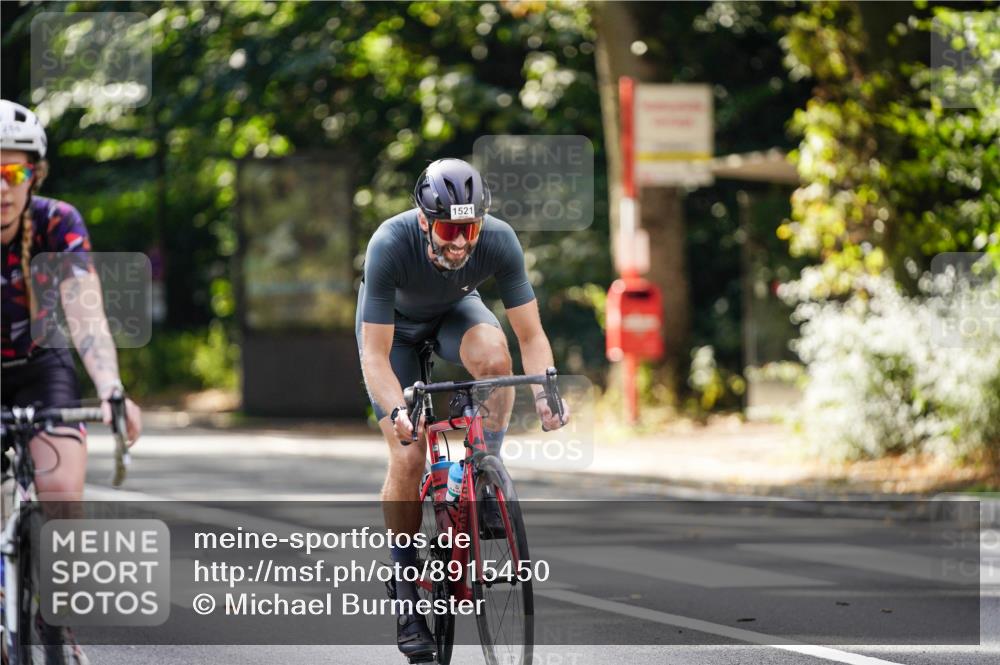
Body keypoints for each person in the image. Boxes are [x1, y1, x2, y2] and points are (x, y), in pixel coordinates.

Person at [356, 157, 569, 658]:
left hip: (454, 315)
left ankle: (480, 470)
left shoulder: (499, 239)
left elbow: (531, 336)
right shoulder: (390, 243)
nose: (460, 243)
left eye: (469, 229)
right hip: (394, 336)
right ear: (425, 221)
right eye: (450, 230)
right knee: (409, 454)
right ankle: (405, 586)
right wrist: (398, 412)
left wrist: (546, 393)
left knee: (496, 359)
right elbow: (374, 355)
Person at [1, 99, 143, 664]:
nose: (2, 187)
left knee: (61, 493)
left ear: (34, 174)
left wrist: (110, 387)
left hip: (43, 367)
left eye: (13, 173)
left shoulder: (58, 222)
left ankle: (53, 619)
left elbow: (84, 312)